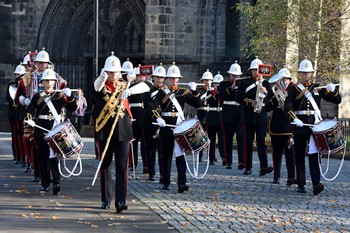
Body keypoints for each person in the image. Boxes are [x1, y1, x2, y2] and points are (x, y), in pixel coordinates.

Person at [93, 52, 150, 213]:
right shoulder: (101, 86)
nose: (113, 74)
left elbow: (147, 86)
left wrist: (130, 92)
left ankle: (120, 200)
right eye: (110, 72)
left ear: (120, 72)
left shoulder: (126, 84)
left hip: (124, 131)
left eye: (115, 72)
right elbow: (95, 89)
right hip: (105, 130)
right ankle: (106, 199)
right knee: (106, 166)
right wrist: (101, 78)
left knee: (121, 166)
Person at [284, 59, 341, 195]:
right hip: (300, 125)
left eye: (309, 73)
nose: (307, 75)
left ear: (312, 73)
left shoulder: (318, 87)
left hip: (314, 127)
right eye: (304, 73)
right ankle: (301, 184)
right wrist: (294, 119)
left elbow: (337, 100)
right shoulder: (294, 89)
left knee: (314, 155)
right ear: (299, 74)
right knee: (299, 155)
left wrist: (334, 91)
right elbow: (287, 107)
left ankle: (316, 184)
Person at [149, 62, 202, 193]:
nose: (173, 80)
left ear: (179, 79)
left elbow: (198, 104)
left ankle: (181, 182)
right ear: (168, 79)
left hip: (179, 126)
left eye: (175, 78)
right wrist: (158, 117)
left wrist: (195, 91)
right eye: (171, 78)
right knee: (166, 154)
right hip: (166, 126)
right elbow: (153, 105)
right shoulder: (162, 92)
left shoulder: (184, 92)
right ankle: (166, 181)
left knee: (180, 155)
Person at [25, 69, 76, 195]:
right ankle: (45, 183)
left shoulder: (60, 95)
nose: (49, 82)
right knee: (42, 156)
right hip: (41, 128)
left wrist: (70, 97)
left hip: (55, 128)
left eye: (51, 80)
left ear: (55, 81)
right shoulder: (37, 96)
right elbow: (30, 110)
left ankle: (56, 182)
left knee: (54, 156)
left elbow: (73, 107)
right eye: (46, 80)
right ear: (42, 82)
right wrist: (30, 120)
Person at [236, 57, 273, 176]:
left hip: (261, 115)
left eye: (258, 70)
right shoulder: (245, 83)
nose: (256, 73)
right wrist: (250, 102)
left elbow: (272, 99)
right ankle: (247, 166)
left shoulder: (266, 84)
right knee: (248, 142)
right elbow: (239, 98)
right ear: (251, 71)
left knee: (261, 142)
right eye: (254, 70)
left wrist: (266, 92)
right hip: (249, 115)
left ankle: (264, 166)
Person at [265, 68, 296, 185]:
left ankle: (291, 177)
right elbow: (267, 107)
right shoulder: (273, 90)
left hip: (289, 125)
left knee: (290, 153)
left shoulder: (294, 89)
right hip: (276, 126)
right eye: (282, 80)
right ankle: (276, 176)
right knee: (276, 153)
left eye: (286, 79)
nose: (284, 82)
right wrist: (275, 97)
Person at [217, 61, 245, 169]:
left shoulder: (242, 85)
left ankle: (242, 161)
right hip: (228, 114)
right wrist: (231, 88)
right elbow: (220, 96)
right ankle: (228, 161)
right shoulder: (224, 84)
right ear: (229, 75)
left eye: (238, 75)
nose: (236, 77)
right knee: (227, 138)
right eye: (234, 75)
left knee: (241, 136)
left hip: (239, 113)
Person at [143, 63, 166, 181]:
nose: (159, 79)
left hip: (163, 124)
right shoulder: (148, 90)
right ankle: (151, 172)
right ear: (153, 78)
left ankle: (163, 175)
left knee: (162, 151)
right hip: (150, 123)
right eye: (157, 77)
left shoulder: (167, 92)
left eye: (161, 77)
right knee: (150, 150)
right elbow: (147, 104)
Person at [203, 72, 225, 165]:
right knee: (211, 139)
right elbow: (207, 101)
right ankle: (211, 157)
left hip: (221, 117)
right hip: (212, 117)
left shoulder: (224, 93)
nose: (218, 85)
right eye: (216, 84)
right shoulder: (209, 92)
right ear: (214, 84)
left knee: (222, 138)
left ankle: (224, 157)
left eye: (220, 84)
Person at [7, 64, 26, 163]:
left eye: (19, 74)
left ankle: (22, 157)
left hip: (21, 112)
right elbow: (9, 99)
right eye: (17, 74)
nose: (17, 76)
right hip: (15, 113)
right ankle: (19, 156)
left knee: (19, 136)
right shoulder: (12, 84)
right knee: (17, 135)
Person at [196, 69, 213, 163]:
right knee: (200, 136)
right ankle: (200, 155)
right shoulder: (199, 91)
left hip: (210, 114)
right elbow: (198, 101)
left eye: (209, 80)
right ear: (202, 81)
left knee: (210, 137)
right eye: (206, 80)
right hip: (201, 114)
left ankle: (211, 157)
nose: (208, 82)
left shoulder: (213, 92)